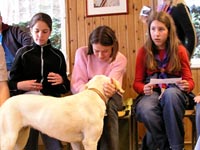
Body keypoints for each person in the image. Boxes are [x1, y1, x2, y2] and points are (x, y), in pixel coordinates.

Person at [8, 12, 70, 150]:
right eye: (36, 31)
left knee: (55, 146)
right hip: (28, 108)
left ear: (50, 32)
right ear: (30, 30)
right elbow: (10, 84)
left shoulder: (58, 56)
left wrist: (62, 81)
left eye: (44, 31)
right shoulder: (22, 53)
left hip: (51, 108)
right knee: (28, 145)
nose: (40, 35)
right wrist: (20, 85)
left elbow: (66, 87)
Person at [133, 11, 194, 150]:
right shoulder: (144, 51)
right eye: (153, 29)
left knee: (171, 95)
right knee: (146, 109)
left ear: (169, 31)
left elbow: (189, 81)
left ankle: (176, 147)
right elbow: (137, 82)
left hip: (175, 91)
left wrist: (186, 85)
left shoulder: (180, 50)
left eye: (161, 29)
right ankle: (167, 146)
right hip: (152, 92)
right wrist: (143, 88)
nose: (156, 34)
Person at [70, 25, 127, 150]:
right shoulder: (82, 53)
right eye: (96, 51)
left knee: (108, 106)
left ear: (113, 46)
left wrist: (101, 92)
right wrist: (88, 96)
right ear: (91, 46)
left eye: (105, 51)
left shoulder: (120, 59)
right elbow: (77, 82)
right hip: (85, 95)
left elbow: (110, 86)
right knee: (85, 107)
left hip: (111, 96)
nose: (100, 55)